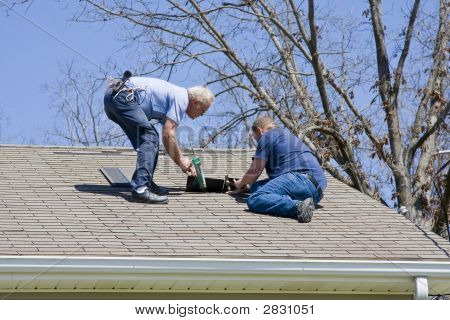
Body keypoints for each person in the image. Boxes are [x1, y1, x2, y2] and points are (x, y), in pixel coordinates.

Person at [104, 76, 215, 204]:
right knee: (150, 138)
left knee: (151, 138)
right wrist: (181, 160)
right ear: (195, 102)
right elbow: (168, 135)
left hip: (113, 97)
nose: (201, 115)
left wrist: (180, 161)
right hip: (123, 97)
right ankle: (140, 189)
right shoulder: (182, 99)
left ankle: (147, 183)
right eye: (202, 111)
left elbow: (167, 139)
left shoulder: (176, 96)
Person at [228, 116, 326, 223]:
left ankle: (298, 206)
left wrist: (240, 183)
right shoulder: (287, 136)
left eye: (257, 139)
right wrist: (247, 186)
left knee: (254, 199)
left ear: (260, 130)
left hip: (300, 179)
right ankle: (300, 203)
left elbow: (255, 171)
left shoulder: (267, 135)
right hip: (316, 193)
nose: (259, 143)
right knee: (255, 187)